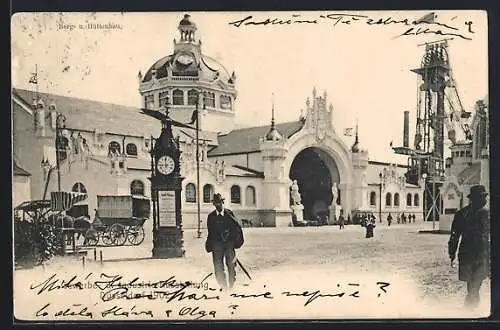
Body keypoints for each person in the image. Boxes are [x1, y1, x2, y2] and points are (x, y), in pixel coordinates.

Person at [448, 185, 490, 309]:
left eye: (485, 197)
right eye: (483, 197)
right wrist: (452, 253)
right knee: (473, 284)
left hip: (473, 253)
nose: (485, 200)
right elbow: (454, 235)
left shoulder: (462, 213)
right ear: (475, 199)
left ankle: (470, 308)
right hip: (476, 253)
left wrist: (452, 253)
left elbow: (454, 236)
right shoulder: (483, 213)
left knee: (473, 284)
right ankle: (471, 309)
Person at [205, 193, 244, 290]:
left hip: (229, 245)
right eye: (216, 203)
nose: (218, 205)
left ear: (223, 202)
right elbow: (210, 232)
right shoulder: (211, 217)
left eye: (220, 203)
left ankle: (231, 286)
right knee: (218, 267)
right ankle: (223, 286)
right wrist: (210, 244)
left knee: (231, 265)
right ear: (214, 204)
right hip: (216, 246)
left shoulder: (229, 214)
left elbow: (237, 228)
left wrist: (232, 238)